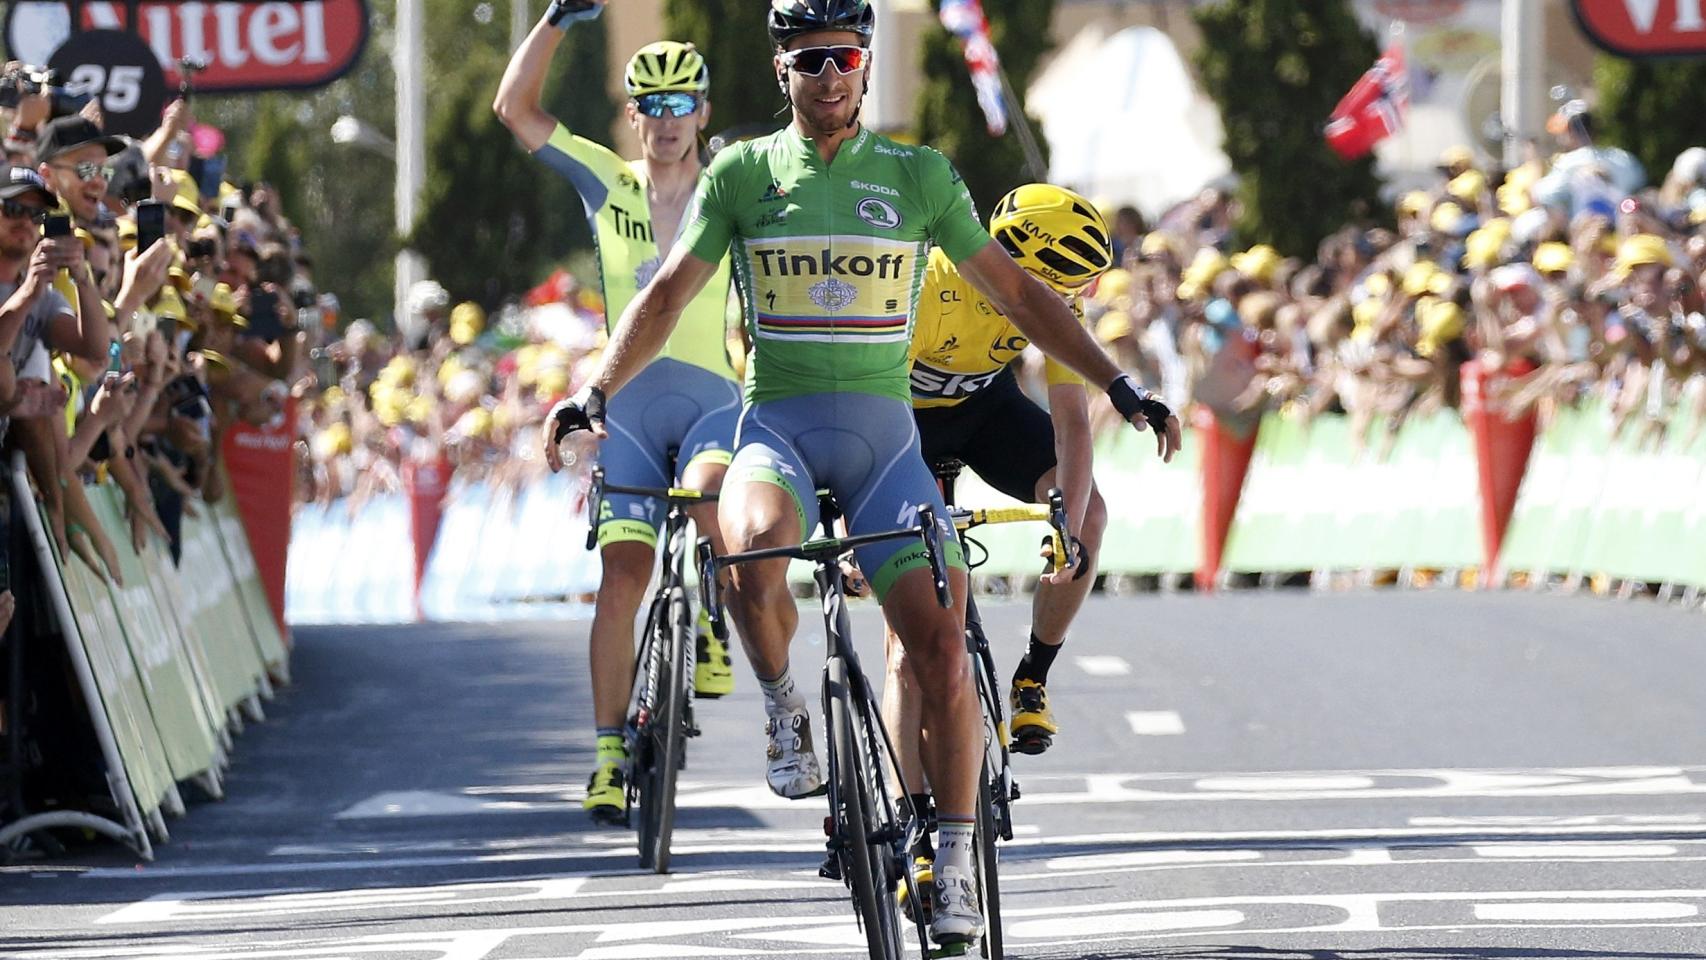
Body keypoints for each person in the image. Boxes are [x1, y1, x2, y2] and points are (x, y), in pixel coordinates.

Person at [543, 0, 1181, 944]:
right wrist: (594, 391)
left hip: (890, 448)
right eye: (810, 60)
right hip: (780, 431)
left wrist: (1121, 386)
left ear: (868, 63)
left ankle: (953, 857)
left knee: (940, 647)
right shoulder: (742, 173)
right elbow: (670, 291)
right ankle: (782, 708)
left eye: (845, 56)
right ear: (782, 71)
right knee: (748, 548)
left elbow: (1019, 294)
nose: (830, 75)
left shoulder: (920, 175)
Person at [495, 0, 742, 826]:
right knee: (620, 581)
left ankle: (713, 622)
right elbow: (514, 109)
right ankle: (607, 755)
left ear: (702, 112)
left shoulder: (729, 186)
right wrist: (558, 19)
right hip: (628, 409)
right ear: (633, 115)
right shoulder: (608, 179)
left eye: (682, 105)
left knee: (712, 499)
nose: (667, 121)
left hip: (710, 398)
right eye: (652, 105)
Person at [886, 183, 1115, 774]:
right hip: (901, 424)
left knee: (1089, 515)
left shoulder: (1054, 301)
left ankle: (1033, 676)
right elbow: (879, 420)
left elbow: (1072, 422)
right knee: (914, 629)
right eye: (1066, 287)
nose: (1074, 300)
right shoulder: (924, 285)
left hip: (985, 412)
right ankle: (912, 802)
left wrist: (1067, 525)